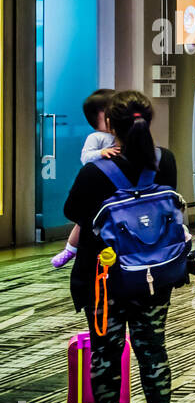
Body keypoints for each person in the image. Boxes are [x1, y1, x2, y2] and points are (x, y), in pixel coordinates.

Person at [62, 90, 184, 403]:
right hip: (152, 276)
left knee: (105, 351)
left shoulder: (94, 171)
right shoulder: (166, 161)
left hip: (104, 280)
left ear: (109, 125)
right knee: (152, 347)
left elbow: (74, 213)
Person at [51, 89, 119, 269]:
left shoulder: (120, 134)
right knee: (83, 222)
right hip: (98, 185)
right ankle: (70, 249)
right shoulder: (95, 137)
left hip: (114, 185)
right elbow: (85, 157)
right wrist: (101, 153)